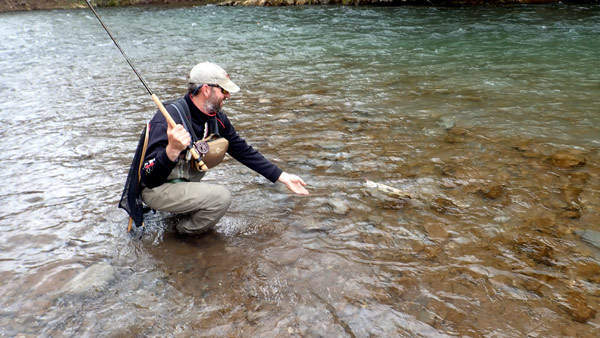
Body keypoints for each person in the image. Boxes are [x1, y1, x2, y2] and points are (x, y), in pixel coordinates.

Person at [137, 61, 308, 235]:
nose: (228, 96)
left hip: (181, 182)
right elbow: (148, 178)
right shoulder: (167, 119)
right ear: (206, 90)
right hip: (156, 188)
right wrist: (171, 151)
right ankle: (181, 233)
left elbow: (242, 150)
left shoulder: (215, 117)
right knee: (220, 197)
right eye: (224, 91)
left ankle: (181, 214)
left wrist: (282, 176)